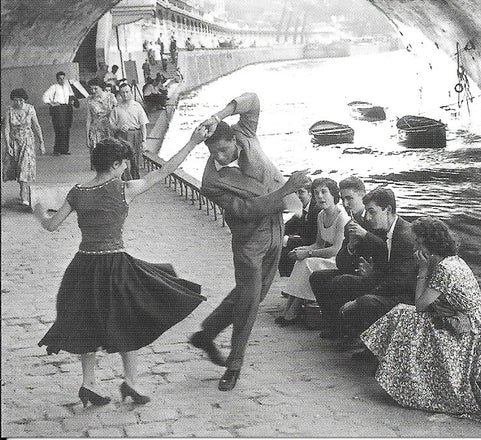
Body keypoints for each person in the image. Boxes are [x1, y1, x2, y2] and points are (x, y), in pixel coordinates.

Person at [35, 127, 210, 407]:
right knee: (127, 320)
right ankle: (131, 382)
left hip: (82, 267)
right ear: (116, 164)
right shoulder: (123, 189)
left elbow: (52, 225)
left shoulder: (77, 192)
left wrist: (39, 211)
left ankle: (88, 383)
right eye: (125, 163)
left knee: (86, 322)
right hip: (116, 265)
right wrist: (192, 141)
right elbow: (165, 171)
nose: (127, 167)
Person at [187, 92, 305, 391]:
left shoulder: (244, 132)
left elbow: (252, 99)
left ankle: (207, 332)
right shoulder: (211, 182)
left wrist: (218, 115)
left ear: (235, 141)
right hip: (249, 240)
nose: (219, 157)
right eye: (214, 153)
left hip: (277, 229)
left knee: (250, 295)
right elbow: (247, 210)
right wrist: (287, 189)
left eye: (224, 151)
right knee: (250, 301)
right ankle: (234, 365)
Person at [361, 217, 481, 419]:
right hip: (462, 323)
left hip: (471, 333)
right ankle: (394, 373)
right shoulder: (452, 261)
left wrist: (422, 269)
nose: (415, 248)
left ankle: (400, 380)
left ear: (429, 245)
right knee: (403, 314)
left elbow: (420, 305)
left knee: (406, 317)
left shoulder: (444, 269)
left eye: (418, 243)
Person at [336, 186, 418, 351]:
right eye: (367, 212)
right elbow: (390, 272)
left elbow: (399, 281)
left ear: (387, 210)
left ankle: (375, 349)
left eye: (372, 212)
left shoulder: (404, 236)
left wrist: (358, 300)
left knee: (367, 301)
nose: (368, 217)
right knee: (345, 282)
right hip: (395, 287)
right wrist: (372, 274)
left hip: (409, 295)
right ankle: (362, 340)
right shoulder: (388, 231)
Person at [309, 176, 387, 338]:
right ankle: (334, 325)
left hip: (378, 274)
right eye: (343, 199)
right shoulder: (350, 224)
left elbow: (386, 250)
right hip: (356, 271)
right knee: (317, 277)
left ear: (363, 196)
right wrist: (350, 246)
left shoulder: (376, 220)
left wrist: (365, 235)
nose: (345, 204)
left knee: (342, 281)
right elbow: (341, 263)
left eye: (350, 198)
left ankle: (351, 331)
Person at [275, 177, 349, 326]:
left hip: (339, 260)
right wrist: (301, 249)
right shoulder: (321, 215)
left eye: (324, 192)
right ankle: (290, 306)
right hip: (328, 256)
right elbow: (318, 244)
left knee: (307, 262)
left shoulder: (341, 217)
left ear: (334, 194)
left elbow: (336, 249)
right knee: (301, 259)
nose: (319, 196)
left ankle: (293, 310)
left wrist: (308, 253)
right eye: (316, 193)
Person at [2, 88, 45, 208]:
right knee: (17, 168)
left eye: (21, 100)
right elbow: (6, 128)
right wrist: (8, 144)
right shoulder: (9, 110)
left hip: (28, 141)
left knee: (24, 166)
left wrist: (41, 142)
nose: (18, 103)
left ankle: (24, 192)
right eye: (16, 100)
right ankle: (22, 187)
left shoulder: (30, 109)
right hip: (15, 142)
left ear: (24, 100)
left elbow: (36, 126)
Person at [278, 177, 316, 277]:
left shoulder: (316, 211)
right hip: (305, 245)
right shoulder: (302, 209)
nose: (297, 196)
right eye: (294, 193)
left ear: (310, 193)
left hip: (317, 249)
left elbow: (312, 240)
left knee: (285, 255)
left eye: (301, 192)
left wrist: (287, 240)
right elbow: (288, 227)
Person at [109, 83, 149, 180]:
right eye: (123, 92)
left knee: (135, 160)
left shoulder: (137, 106)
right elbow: (111, 125)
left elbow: (143, 124)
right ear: (120, 94)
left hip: (135, 134)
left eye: (127, 92)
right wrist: (118, 128)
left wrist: (144, 141)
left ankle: (135, 181)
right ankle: (125, 181)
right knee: (123, 160)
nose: (125, 95)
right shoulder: (117, 108)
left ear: (131, 92)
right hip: (121, 136)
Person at [42, 71, 79, 156]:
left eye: (63, 78)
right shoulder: (54, 87)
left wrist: (72, 101)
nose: (62, 80)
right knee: (59, 129)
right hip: (58, 110)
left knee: (66, 129)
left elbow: (71, 96)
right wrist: (52, 103)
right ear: (57, 79)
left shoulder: (67, 87)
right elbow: (45, 96)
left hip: (67, 109)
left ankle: (65, 149)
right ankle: (57, 150)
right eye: (60, 79)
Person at [85, 78, 117, 157]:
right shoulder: (90, 99)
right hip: (95, 131)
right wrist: (87, 136)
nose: (93, 91)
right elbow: (89, 118)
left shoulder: (111, 97)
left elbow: (117, 114)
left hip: (109, 129)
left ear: (101, 87)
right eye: (91, 89)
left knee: (110, 154)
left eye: (95, 89)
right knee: (97, 155)